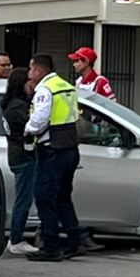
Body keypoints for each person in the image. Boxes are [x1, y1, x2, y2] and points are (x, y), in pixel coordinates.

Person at [24, 53, 89, 261]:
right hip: (70, 148)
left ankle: (50, 247)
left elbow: (39, 120)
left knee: (44, 198)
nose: (29, 74)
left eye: (31, 69)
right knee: (62, 197)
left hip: (51, 149)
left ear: (39, 70)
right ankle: (75, 241)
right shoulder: (66, 86)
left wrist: (27, 129)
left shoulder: (45, 89)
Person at [0, 68, 39, 256]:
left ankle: (17, 238)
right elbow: (32, 127)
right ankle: (16, 239)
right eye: (29, 81)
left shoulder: (13, 104)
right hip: (23, 156)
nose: (32, 85)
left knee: (24, 198)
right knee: (23, 199)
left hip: (18, 155)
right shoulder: (17, 107)